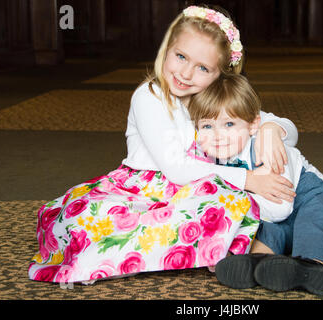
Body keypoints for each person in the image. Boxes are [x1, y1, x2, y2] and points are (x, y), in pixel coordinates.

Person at [28, 5, 298, 284]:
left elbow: (272, 121)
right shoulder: (150, 96)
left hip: (191, 191)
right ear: (167, 49)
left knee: (231, 203)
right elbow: (177, 168)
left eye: (203, 68)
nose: (186, 73)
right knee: (90, 221)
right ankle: (204, 248)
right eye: (180, 56)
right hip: (141, 191)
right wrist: (249, 178)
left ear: (221, 75)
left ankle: (209, 248)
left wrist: (270, 130)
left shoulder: (210, 97)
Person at [188, 74, 323, 296]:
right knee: (265, 230)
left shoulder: (266, 149)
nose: (217, 135)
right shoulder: (209, 158)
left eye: (229, 124)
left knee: (319, 219)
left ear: (253, 125)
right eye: (207, 126)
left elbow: (280, 207)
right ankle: (259, 263)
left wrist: (232, 215)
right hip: (268, 211)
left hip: (307, 198)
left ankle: (313, 267)